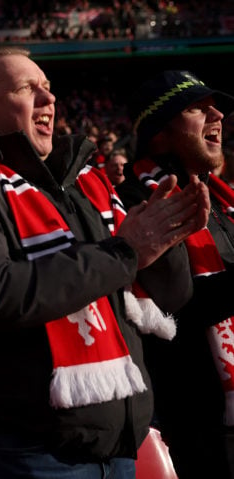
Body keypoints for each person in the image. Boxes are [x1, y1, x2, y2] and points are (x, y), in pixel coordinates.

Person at [0, 45, 209, 479]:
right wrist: (125, 251)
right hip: (26, 451)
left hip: (119, 446)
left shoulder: (84, 183)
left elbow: (169, 297)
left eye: (48, 89)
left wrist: (164, 245)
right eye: (26, 89)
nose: (48, 100)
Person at [117, 69, 234, 478]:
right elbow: (174, 309)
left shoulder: (219, 198)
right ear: (159, 133)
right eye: (197, 108)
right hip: (193, 425)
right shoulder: (137, 202)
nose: (217, 114)